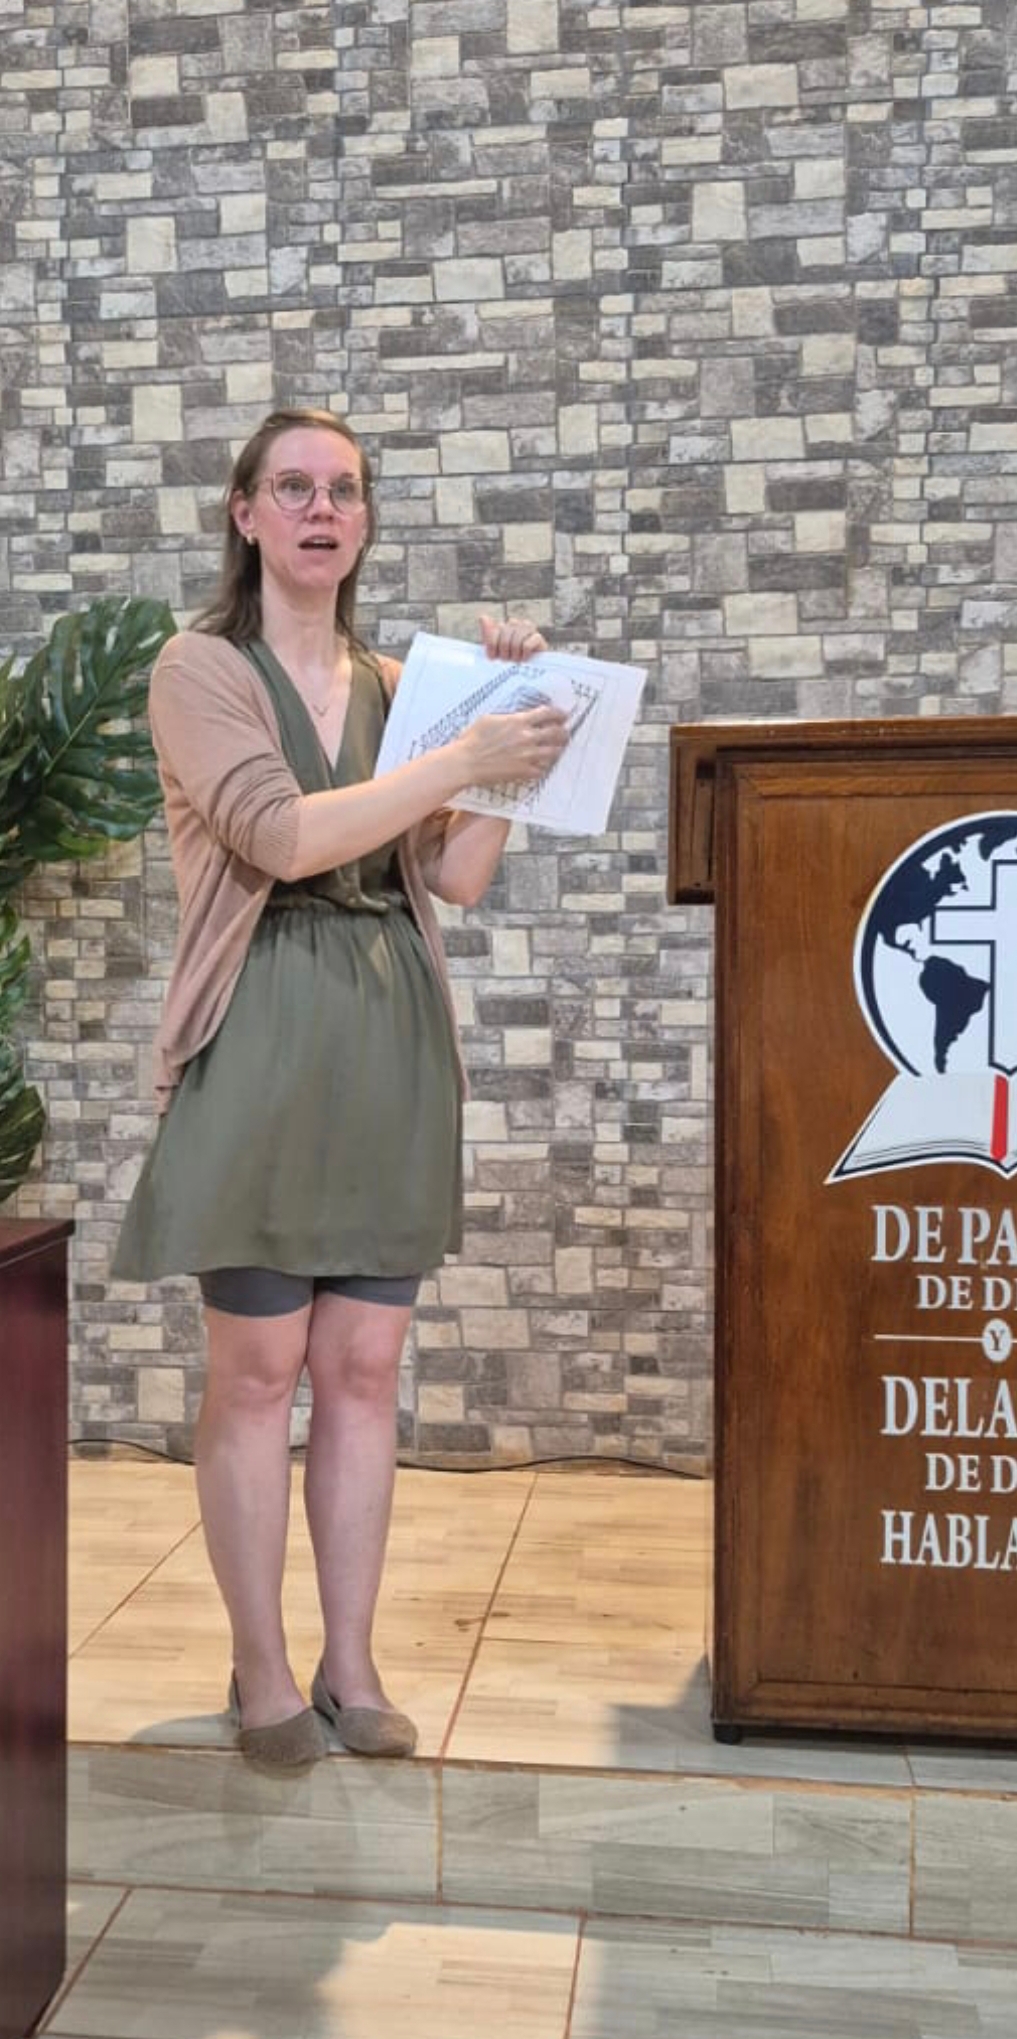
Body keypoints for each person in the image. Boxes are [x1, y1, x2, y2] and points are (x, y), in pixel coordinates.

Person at [113, 406, 568, 1767]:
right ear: (245, 513)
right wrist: (461, 757)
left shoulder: (401, 685)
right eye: (295, 488)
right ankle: (260, 1668)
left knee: (364, 1371)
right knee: (257, 1373)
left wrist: (507, 745)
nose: (323, 510)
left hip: (387, 1036)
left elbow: (456, 875)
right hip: (257, 1032)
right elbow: (282, 837)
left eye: (346, 491)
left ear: (365, 523)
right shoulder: (199, 668)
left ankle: (350, 1664)